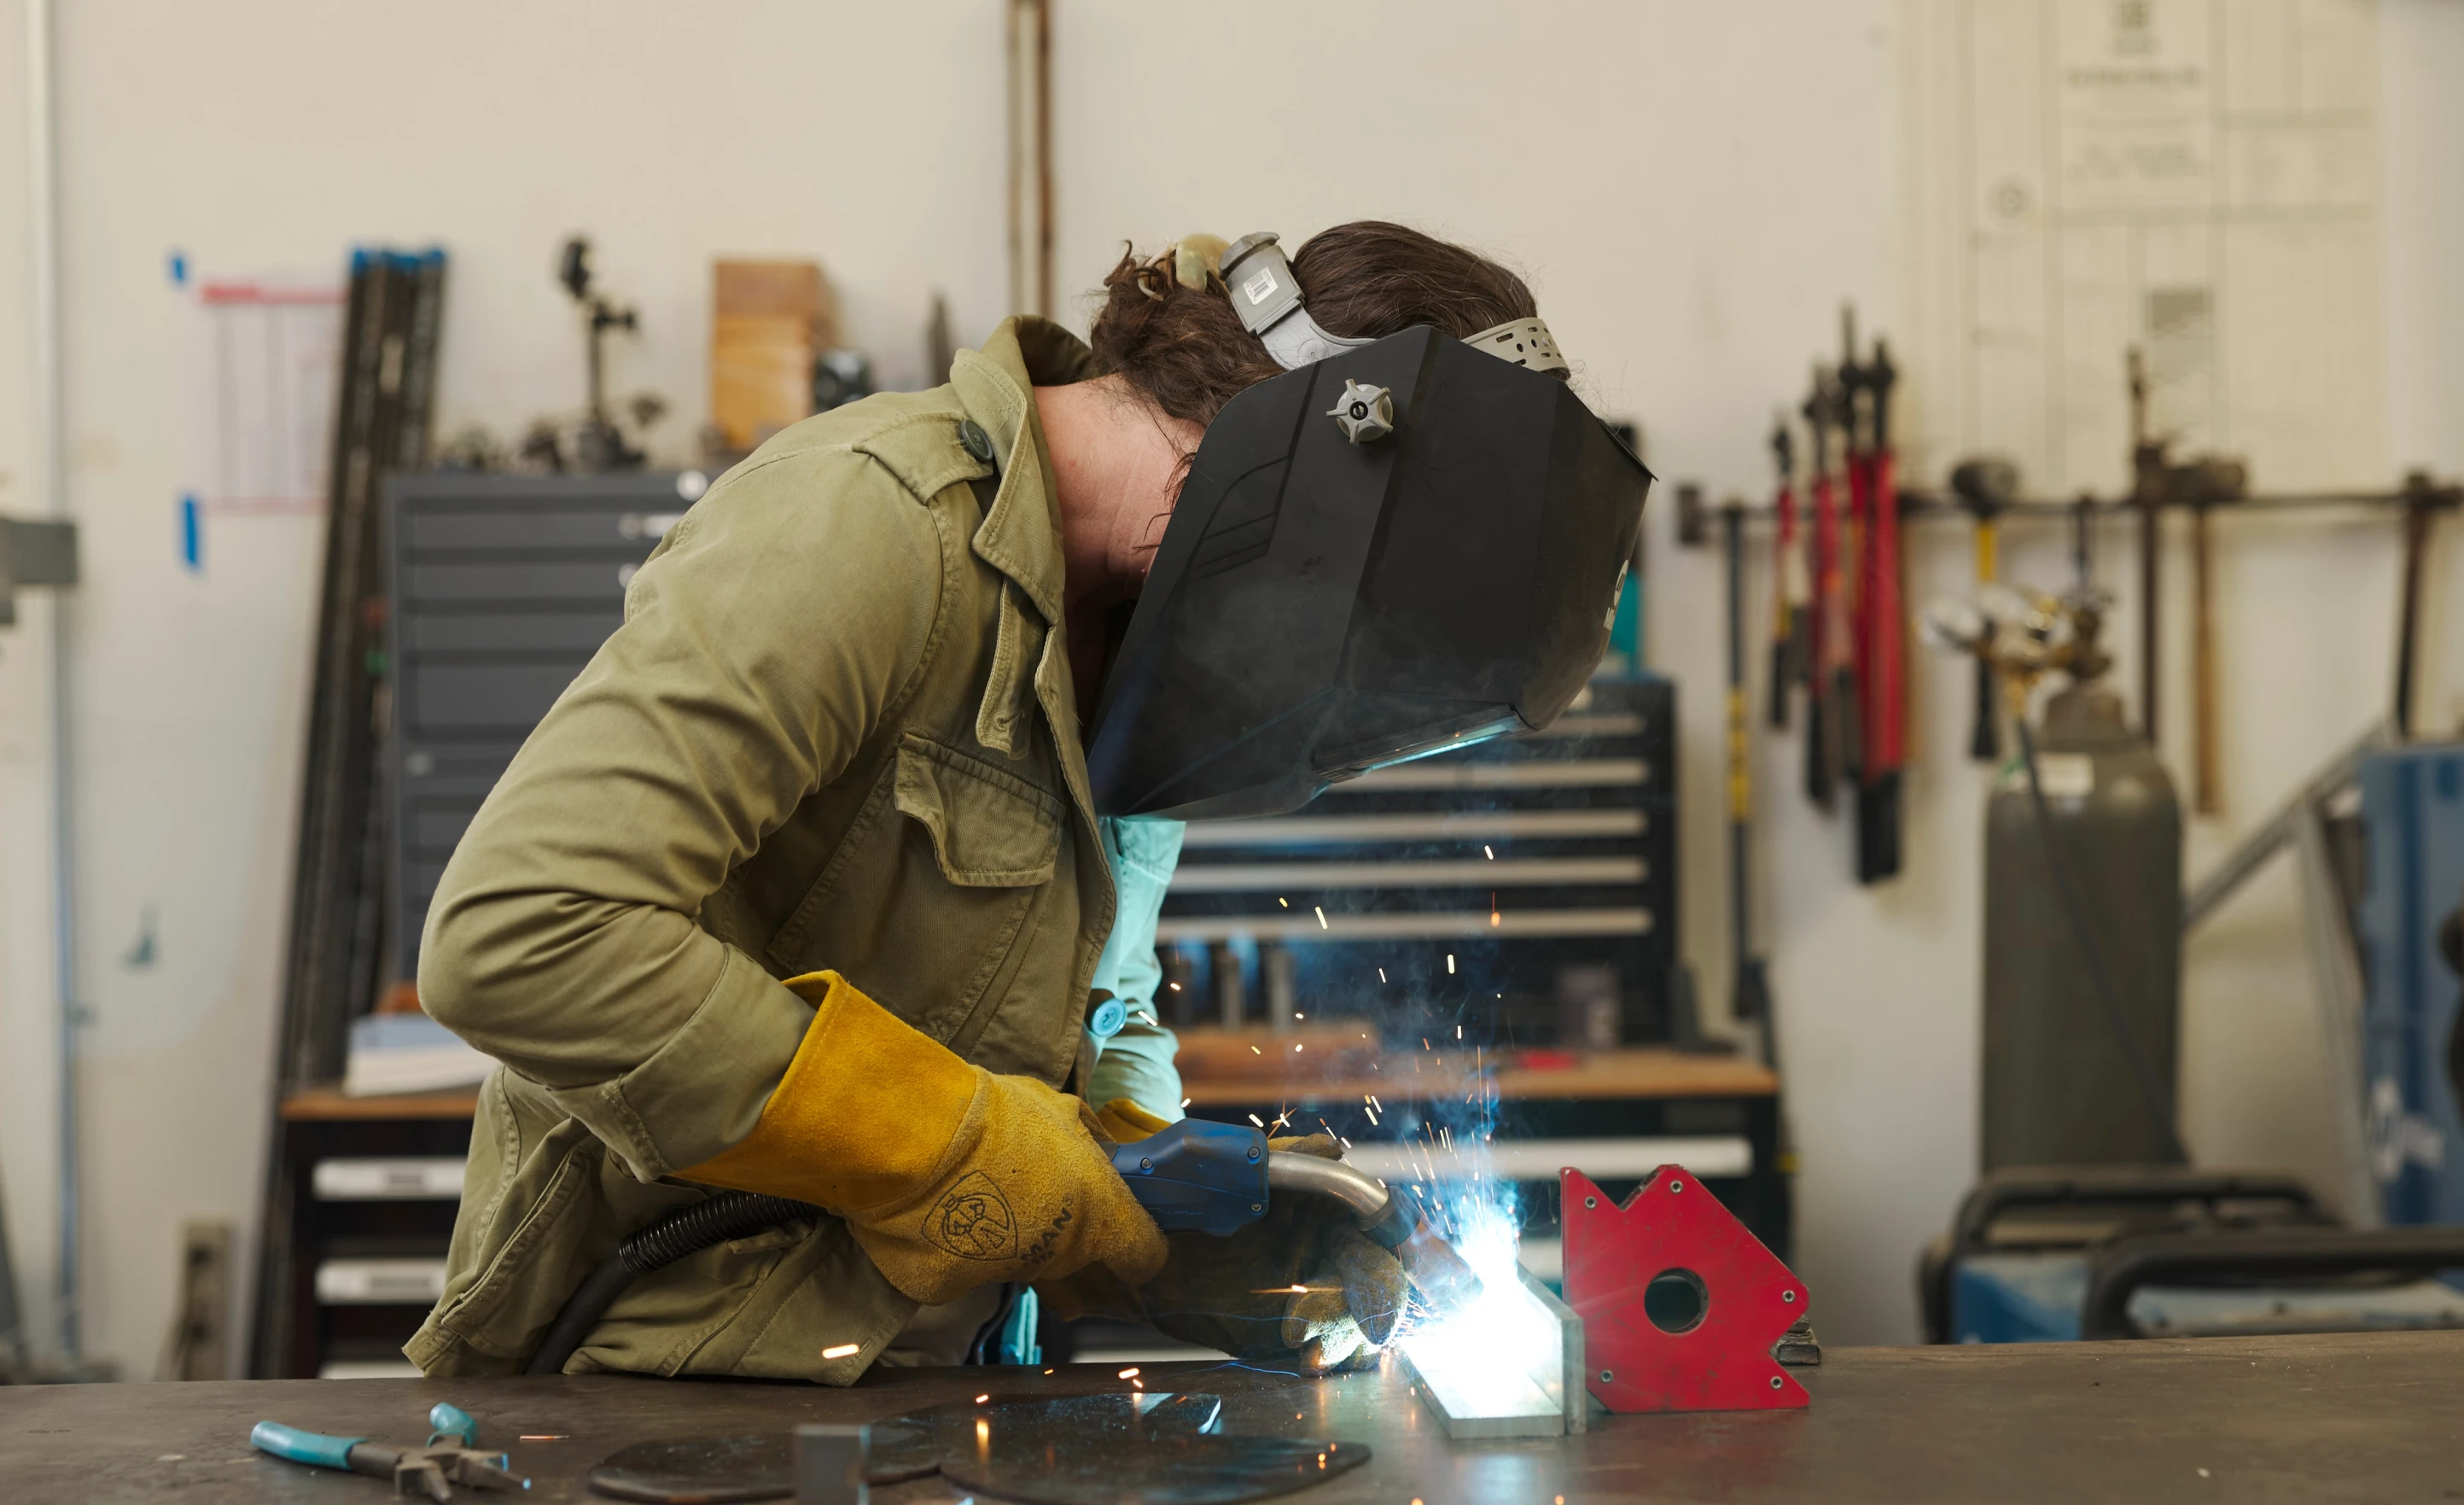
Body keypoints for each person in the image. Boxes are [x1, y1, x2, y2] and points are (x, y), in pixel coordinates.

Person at [404, 222, 1643, 1382]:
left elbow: (1090, 1051)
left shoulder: (1144, 652)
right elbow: (523, 933)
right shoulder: (869, 522)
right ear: (1328, 472)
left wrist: (1174, 1235)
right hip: (657, 1396)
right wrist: (980, 1152)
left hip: (935, 1405)